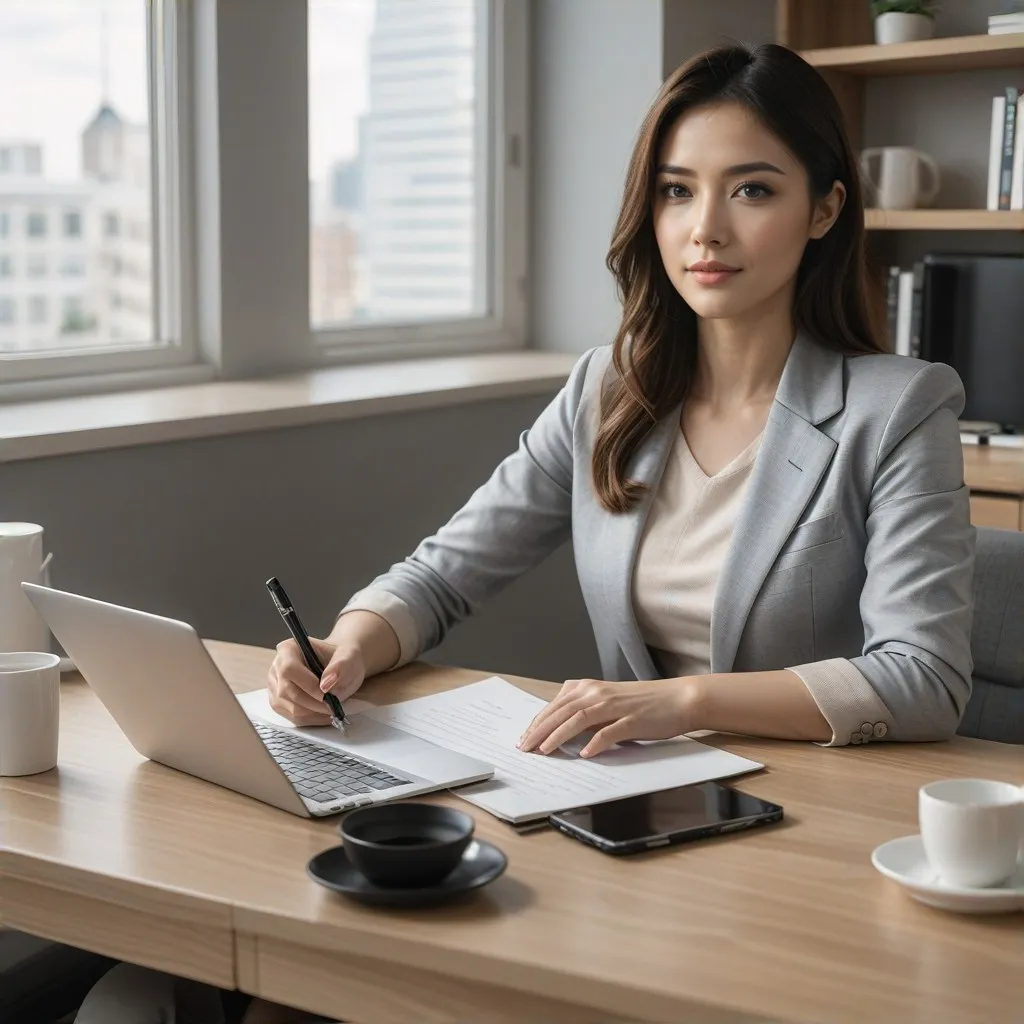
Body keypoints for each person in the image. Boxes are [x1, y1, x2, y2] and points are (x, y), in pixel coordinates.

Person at [74, 40, 974, 1024]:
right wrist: (350, 644)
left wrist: (672, 700)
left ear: (825, 208)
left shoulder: (898, 407)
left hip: (800, 839)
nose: (704, 229)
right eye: (676, 192)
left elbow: (920, 676)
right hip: (624, 817)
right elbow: (447, 569)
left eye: (751, 190)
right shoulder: (608, 389)